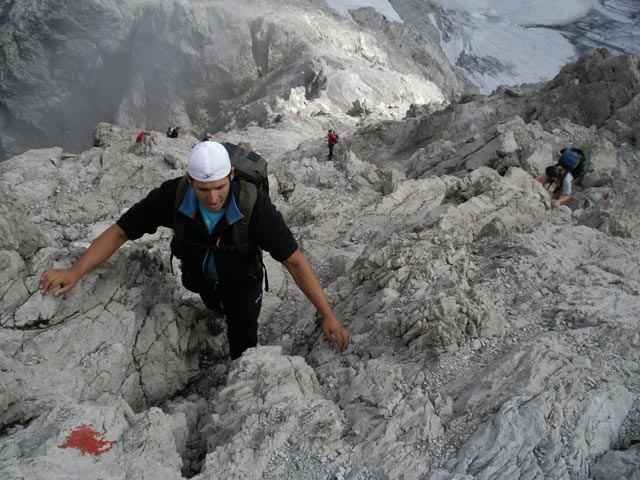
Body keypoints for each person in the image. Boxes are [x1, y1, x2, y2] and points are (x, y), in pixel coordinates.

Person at [40, 141, 350, 360]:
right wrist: (75, 271)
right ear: (190, 181)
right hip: (200, 279)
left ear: (230, 177)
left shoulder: (255, 207)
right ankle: (217, 314)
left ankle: (241, 368)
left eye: (220, 187)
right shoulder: (172, 197)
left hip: (243, 283)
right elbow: (121, 231)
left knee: (243, 338)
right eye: (204, 190)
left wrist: (328, 315)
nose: (213, 198)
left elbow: (294, 261)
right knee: (214, 307)